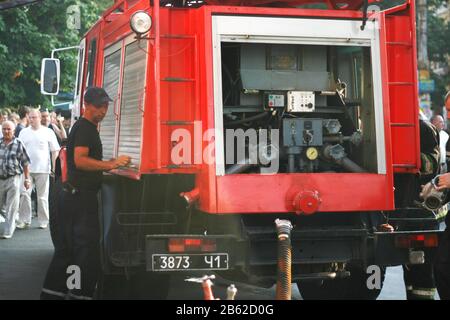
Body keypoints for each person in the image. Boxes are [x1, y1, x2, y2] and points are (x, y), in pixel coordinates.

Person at [40, 87, 131, 300]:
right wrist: (110, 164)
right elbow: (80, 161)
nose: (103, 110)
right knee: (83, 251)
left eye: (106, 106)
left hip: (74, 198)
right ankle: (77, 295)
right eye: (99, 106)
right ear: (86, 105)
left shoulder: (86, 127)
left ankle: (58, 294)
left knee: (70, 251)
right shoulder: (85, 128)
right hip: (79, 200)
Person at [17, 109, 60, 229]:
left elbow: (54, 151)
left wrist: (55, 168)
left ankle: (43, 220)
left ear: (40, 118)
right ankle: (24, 220)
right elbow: (19, 151)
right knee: (24, 194)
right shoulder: (23, 132)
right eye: (30, 117)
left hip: (43, 169)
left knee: (42, 196)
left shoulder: (48, 132)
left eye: (34, 117)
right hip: (26, 169)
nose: (31, 120)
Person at [0, 121, 31, 239]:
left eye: (9, 129)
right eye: (4, 129)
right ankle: (13, 219)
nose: (6, 131)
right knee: (3, 207)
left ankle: (8, 231)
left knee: (11, 206)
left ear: (13, 131)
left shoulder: (18, 143)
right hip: (0, 178)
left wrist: (27, 179)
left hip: (13, 178)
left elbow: (26, 162)